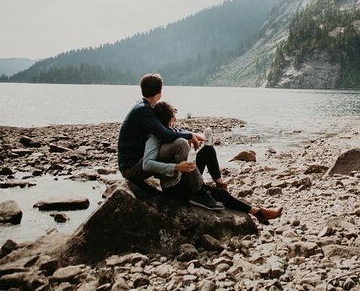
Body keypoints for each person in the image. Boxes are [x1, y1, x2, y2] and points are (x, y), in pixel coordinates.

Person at [147, 101, 283, 225]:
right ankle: (259, 212)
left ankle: (219, 181)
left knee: (208, 150)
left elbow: (182, 133)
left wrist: (197, 137)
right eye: (174, 115)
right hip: (175, 187)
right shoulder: (157, 138)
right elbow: (149, 164)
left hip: (185, 176)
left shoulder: (170, 131)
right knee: (221, 195)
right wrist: (177, 166)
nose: (175, 118)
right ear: (171, 119)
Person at [117, 73, 223, 211]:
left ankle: (189, 183)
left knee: (181, 142)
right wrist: (189, 134)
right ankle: (199, 192)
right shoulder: (144, 109)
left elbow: (165, 128)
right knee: (180, 144)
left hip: (134, 163)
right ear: (160, 93)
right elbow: (166, 133)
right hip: (132, 168)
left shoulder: (143, 106)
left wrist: (189, 134)